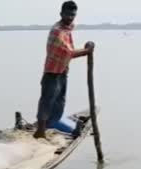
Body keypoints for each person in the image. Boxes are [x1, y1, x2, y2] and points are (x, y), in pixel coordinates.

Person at [34, 1, 95, 139]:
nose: (70, 17)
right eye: (67, 14)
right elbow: (68, 53)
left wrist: (87, 50)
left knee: (59, 103)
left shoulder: (68, 27)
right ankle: (40, 131)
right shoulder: (57, 31)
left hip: (62, 72)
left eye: (73, 15)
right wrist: (87, 51)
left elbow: (69, 51)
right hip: (52, 73)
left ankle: (48, 126)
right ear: (61, 14)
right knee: (47, 101)